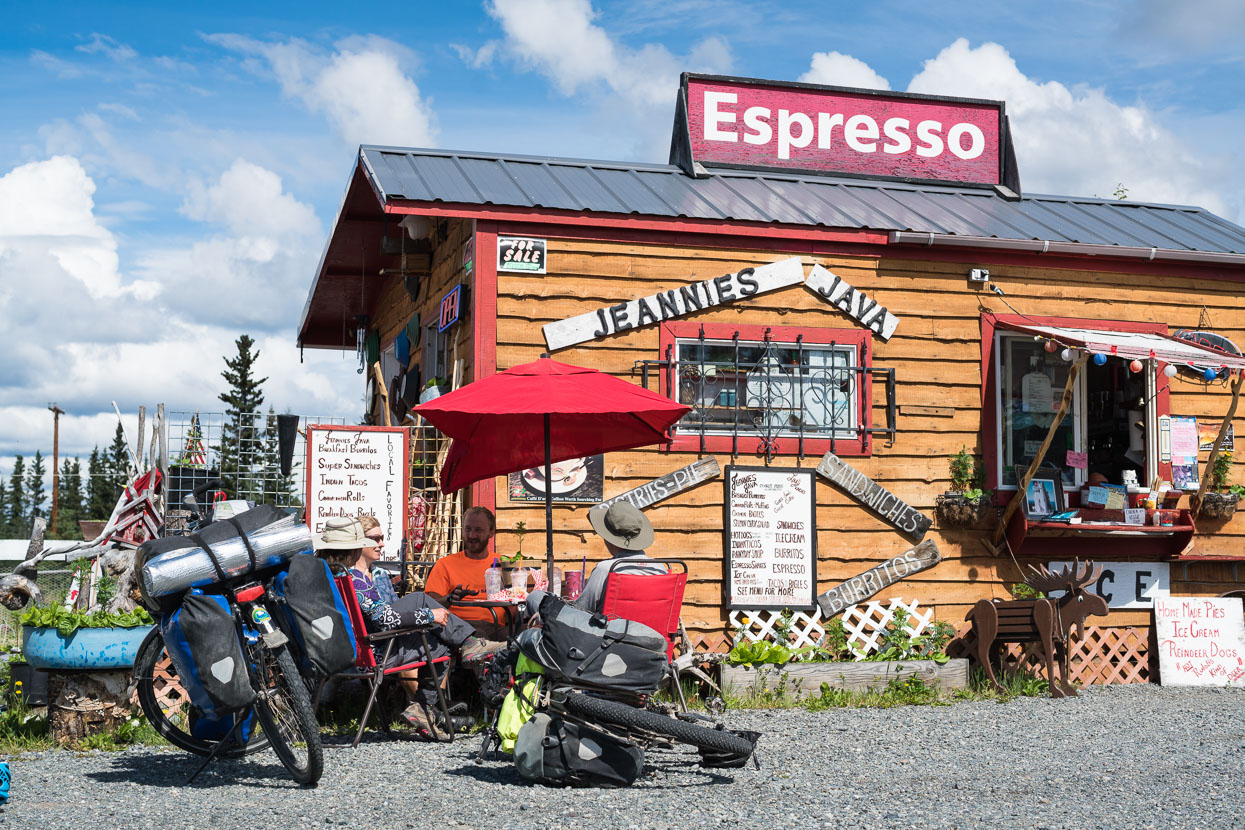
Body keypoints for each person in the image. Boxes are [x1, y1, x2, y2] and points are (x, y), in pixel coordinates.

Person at [315, 517, 501, 739]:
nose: (380, 543)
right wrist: (428, 615)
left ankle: (429, 704)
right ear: (355, 547)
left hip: (354, 648)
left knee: (434, 632)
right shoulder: (355, 580)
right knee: (425, 611)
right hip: (377, 651)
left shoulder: (331, 577)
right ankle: (428, 701)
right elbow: (385, 619)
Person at [425, 507, 511, 641]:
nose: (471, 536)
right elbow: (430, 604)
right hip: (460, 627)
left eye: (478, 530)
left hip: (497, 627)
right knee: (480, 636)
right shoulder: (445, 564)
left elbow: (520, 599)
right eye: (468, 529)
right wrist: (450, 598)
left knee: (531, 636)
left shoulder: (504, 564)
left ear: (491, 532)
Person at [574, 502, 667, 613]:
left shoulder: (606, 569)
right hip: (651, 630)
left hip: (610, 629)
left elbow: (581, 610)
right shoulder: (659, 569)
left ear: (609, 539)